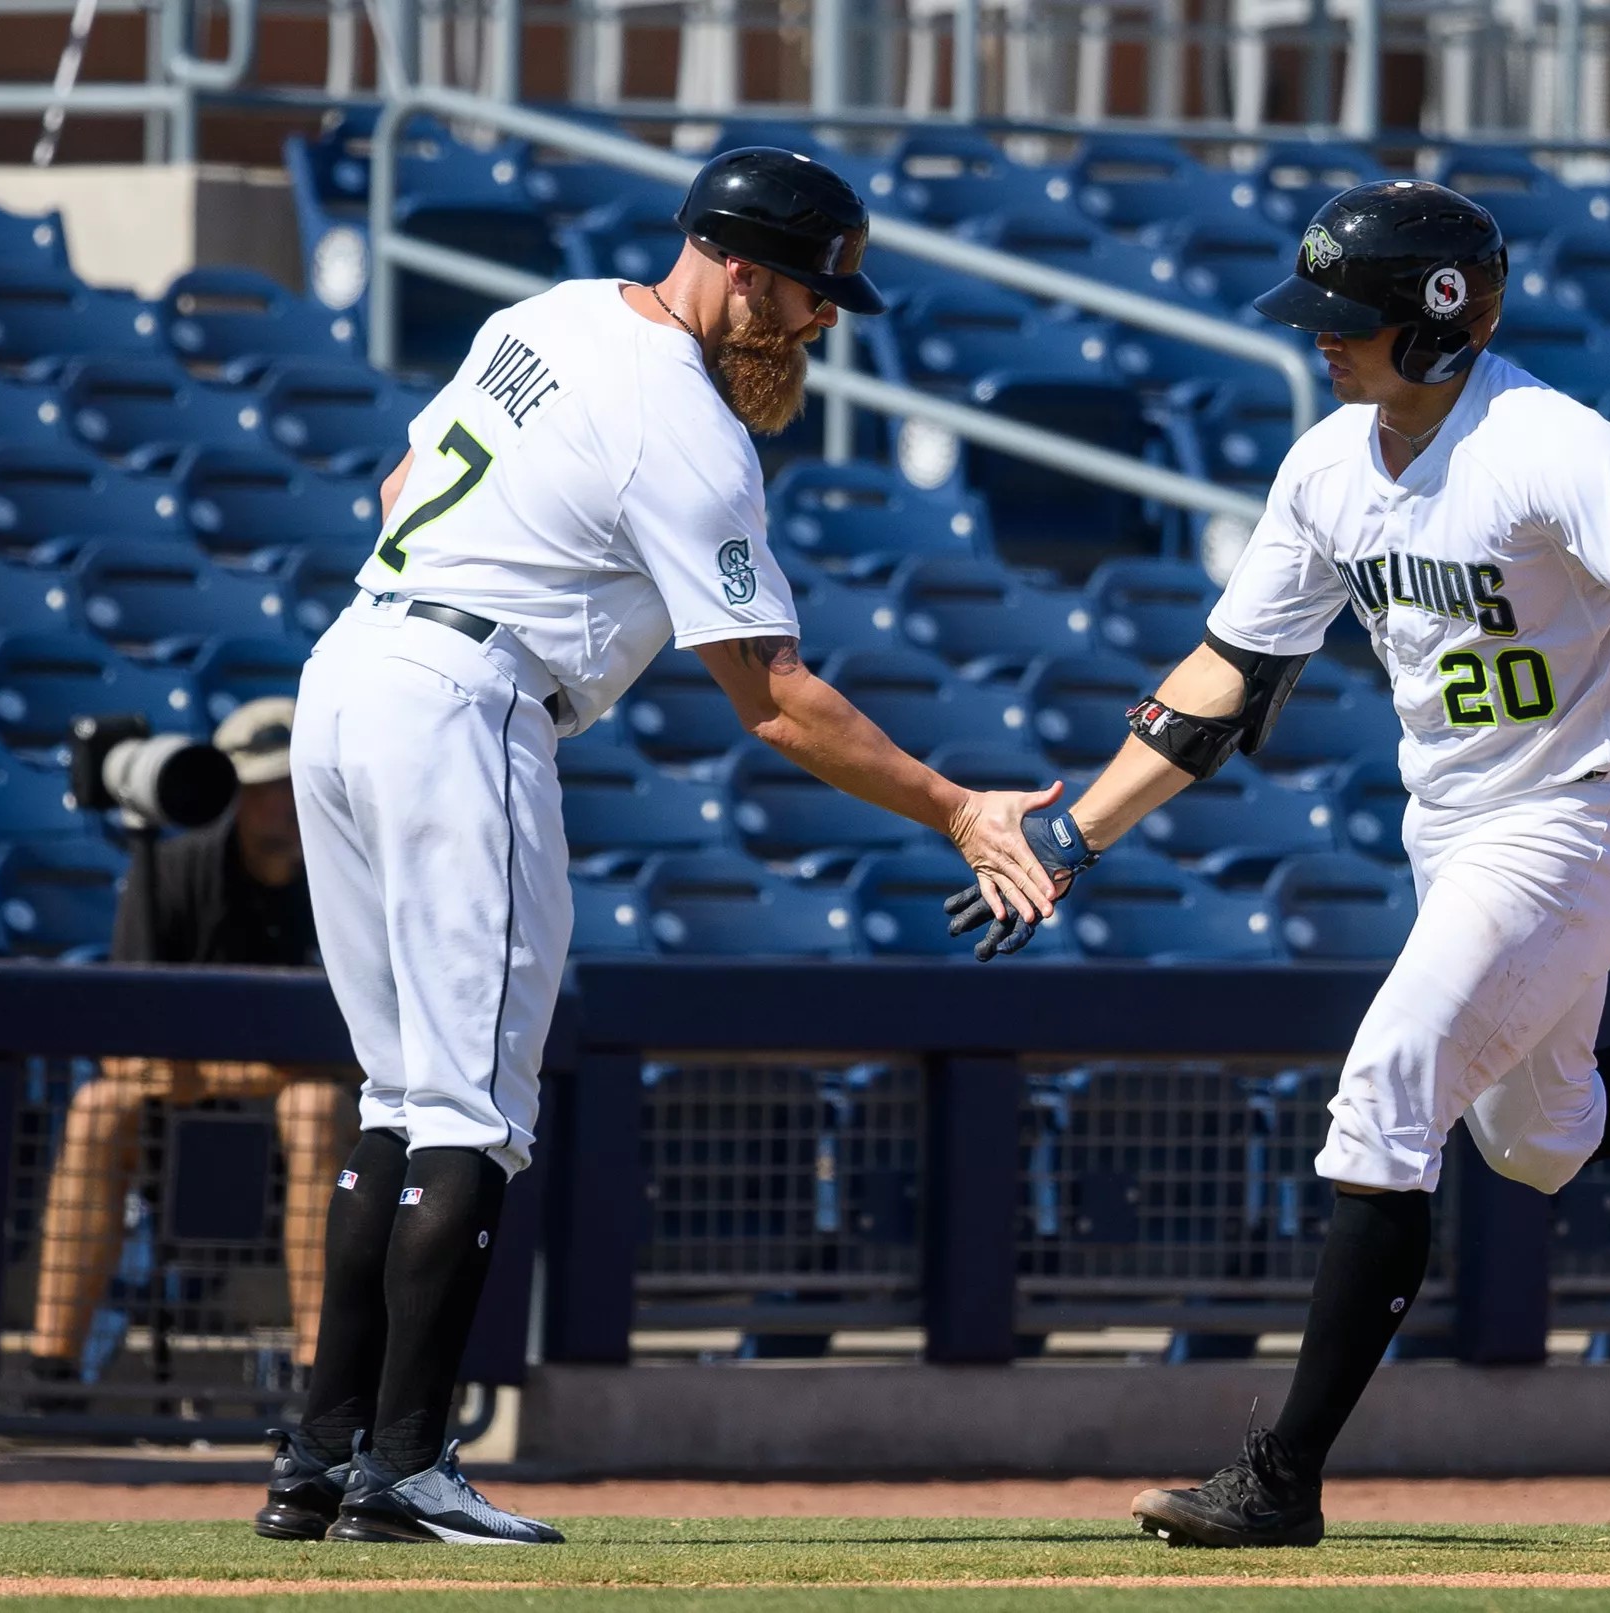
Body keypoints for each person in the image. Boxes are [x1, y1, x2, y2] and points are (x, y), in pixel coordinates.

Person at [942, 180, 1610, 1547]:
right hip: (1457, 829)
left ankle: (1280, 1478)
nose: (1321, 339)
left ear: (1442, 324)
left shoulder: (1539, 442)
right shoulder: (1326, 465)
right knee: (1540, 1140)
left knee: (1387, 1086)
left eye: (1348, 318)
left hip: (1582, 817)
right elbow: (1230, 674)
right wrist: (1076, 836)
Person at [263, 147, 1063, 1546]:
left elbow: (397, 488)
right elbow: (778, 705)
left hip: (348, 675)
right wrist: (957, 807)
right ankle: (403, 1471)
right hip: (466, 703)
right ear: (743, 271)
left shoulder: (550, 314)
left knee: (399, 1094)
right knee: (471, 1109)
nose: (825, 320)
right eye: (813, 294)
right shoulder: (687, 427)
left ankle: (319, 1462)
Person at [29, 698, 352, 1387]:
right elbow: (125, 1047)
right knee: (97, 1108)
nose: (285, 804)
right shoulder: (170, 871)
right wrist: (231, 1074)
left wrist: (212, 1076)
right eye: (267, 787)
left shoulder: (352, 878)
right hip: (170, 1129)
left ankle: (317, 1377)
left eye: (297, 783)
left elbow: (355, 1049)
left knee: (315, 1105)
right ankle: (51, 1366)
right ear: (235, 792)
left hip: (303, 1134)